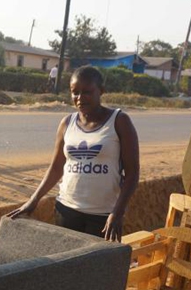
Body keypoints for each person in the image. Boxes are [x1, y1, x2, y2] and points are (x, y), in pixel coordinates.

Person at [8, 66, 140, 242]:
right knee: (67, 265)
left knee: (97, 268)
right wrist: (33, 200)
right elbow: (56, 168)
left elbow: (132, 174)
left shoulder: (119, 121)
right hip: (66, 210)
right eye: (75, 92)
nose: (79, 98)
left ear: (101, 91)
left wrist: (117, 212)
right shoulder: (66, 123)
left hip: (103, 216)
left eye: (87, 92)